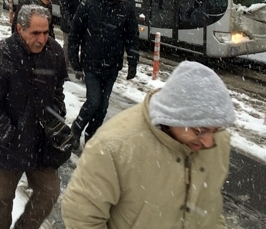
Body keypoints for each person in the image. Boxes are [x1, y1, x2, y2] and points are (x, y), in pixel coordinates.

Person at [61, 61, 237, 228]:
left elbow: (211, 205)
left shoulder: (218, 141)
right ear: (173, 117)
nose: (208, 142)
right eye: (199, 131)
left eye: (215, 129)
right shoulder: (113, 147)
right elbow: (81, 216)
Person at [0, 5, 67, 229]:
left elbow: (57, 90)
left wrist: (57, 115)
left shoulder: (54, 52)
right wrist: (8, 133)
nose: (42, 39)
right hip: (8, 147)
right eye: (35, 33)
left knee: (49, 192)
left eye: (46, 32)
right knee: (2, 201)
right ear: (19, 29)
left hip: (42, 143)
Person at [68, 0, 139, 150]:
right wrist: (74, 61)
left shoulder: (126, 9)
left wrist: (133, 62)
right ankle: (75, 129)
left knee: (103, 106)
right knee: (94, 101)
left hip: (112, 65)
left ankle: (92, 134)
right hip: (91, 63)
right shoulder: (89, 5)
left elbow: (132, 37)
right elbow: (75, 34)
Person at [60, 0, 96, 72]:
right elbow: (64, 7)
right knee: (69, 46)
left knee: (85, 47)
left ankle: (82, 69)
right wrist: (69, 22)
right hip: (70, 22)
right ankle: (64, 69)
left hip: (85, 23)